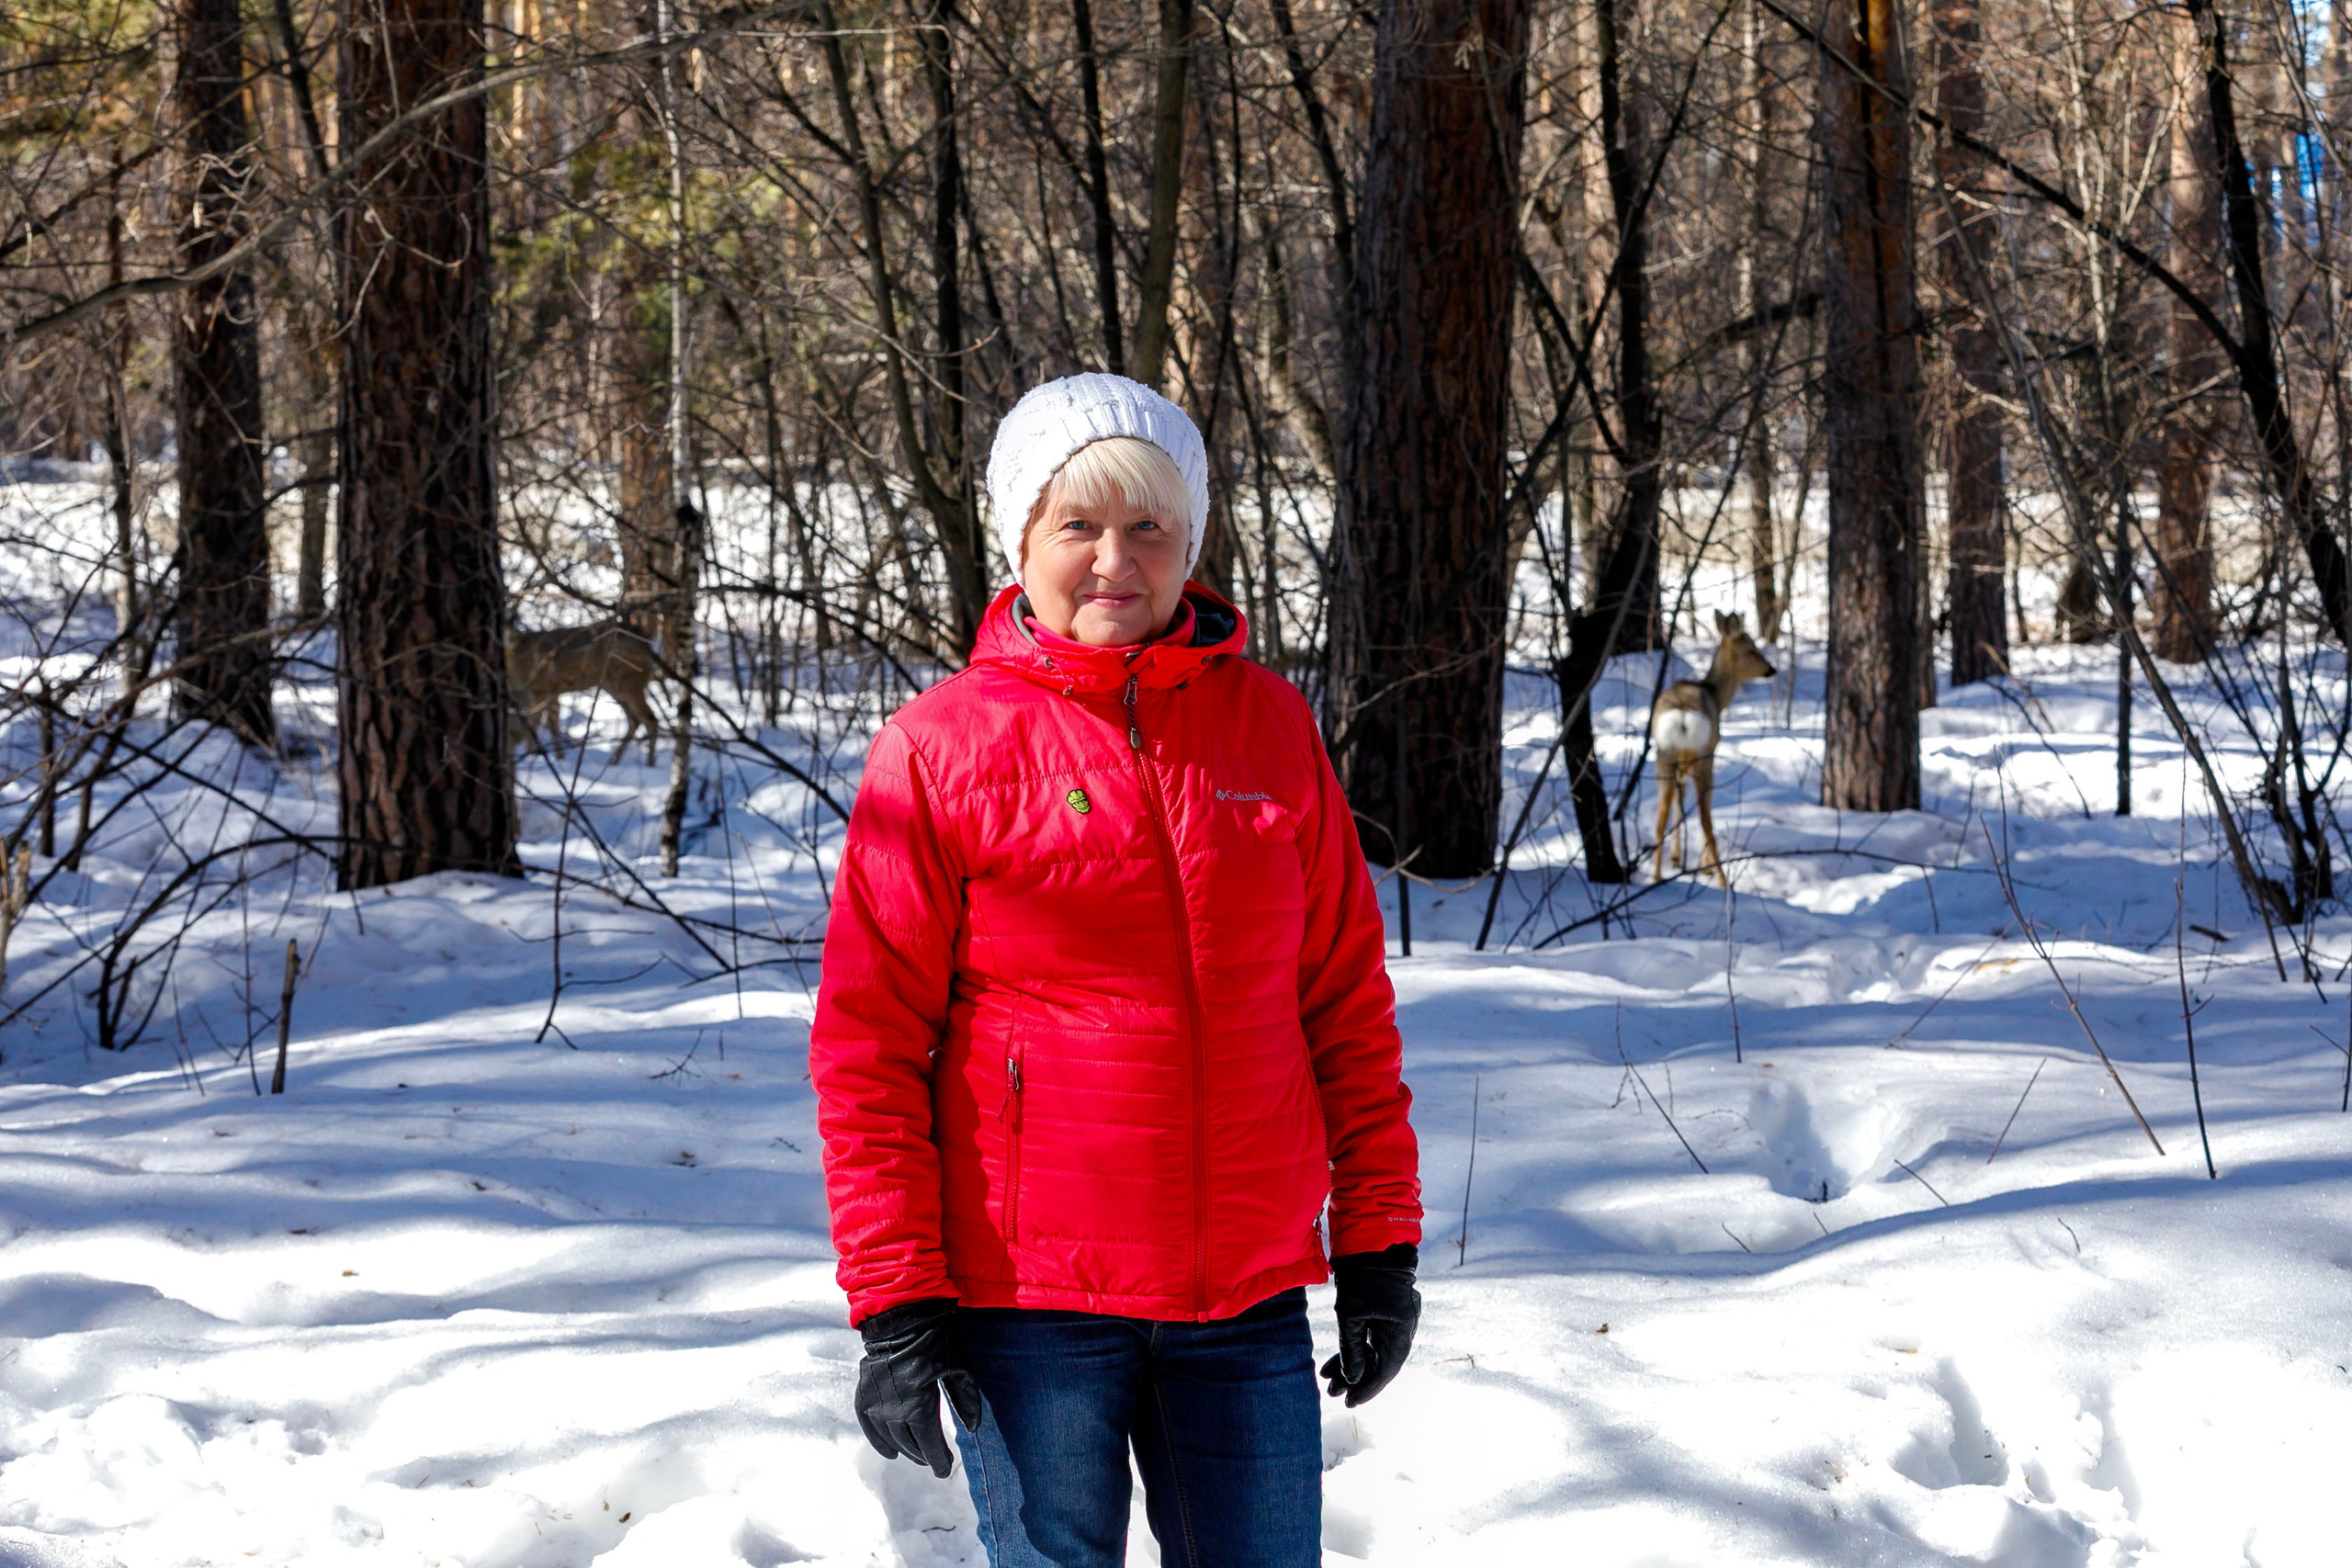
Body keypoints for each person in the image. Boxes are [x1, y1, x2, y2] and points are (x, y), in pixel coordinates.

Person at [811, 372, 1422, 1566]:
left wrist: (1380, 1248)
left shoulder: (1269, 729)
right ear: (1021, 540)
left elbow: (1344, 1004)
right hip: (1030, 1307)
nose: (1114, 561)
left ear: (1188, 543)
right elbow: (868, 1050)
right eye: (1077, 526)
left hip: (1242, 1301)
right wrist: (895, 1304)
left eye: (1149, 527)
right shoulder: (940, 749)